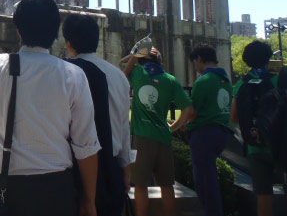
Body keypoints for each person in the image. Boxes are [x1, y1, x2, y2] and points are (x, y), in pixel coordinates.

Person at [0, 0, 101, 216]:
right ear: (56, 31)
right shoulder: (73, 75)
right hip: (57, 191)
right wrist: (89, 201)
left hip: (5, 190)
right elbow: (86, 145)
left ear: (19, 30)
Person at [62, 14, 132, 216]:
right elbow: (123, 125)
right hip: (111, 166)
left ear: (69, 43)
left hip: (73, 168)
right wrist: (126, 170)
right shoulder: (118, 75)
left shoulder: (66, 73)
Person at [121, 46, 191, 216]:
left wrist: (133, 54)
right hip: (163, 137)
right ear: (160, 61)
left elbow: (121, 66)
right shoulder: (170, 80)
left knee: (140, 186)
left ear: (141, 59)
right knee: (167, 186)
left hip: (142, 137)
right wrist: (173, 127)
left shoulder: (137, 73)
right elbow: (189, 109)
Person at [230, 40, 287, 216]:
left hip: (253, 146)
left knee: (263, 197)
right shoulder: (278, 80)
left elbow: (234, 117)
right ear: (268, 58)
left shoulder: (242, 84)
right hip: (282, 146)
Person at [173, 43, 233, 216]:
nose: (196, 67)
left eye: (195, 63)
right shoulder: (226, 81)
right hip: (222, 132)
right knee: (210, 177)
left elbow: (192, 111)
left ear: (199, 59)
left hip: (204, 133)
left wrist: (177, 125)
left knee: (204, 182)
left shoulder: (203, 81)